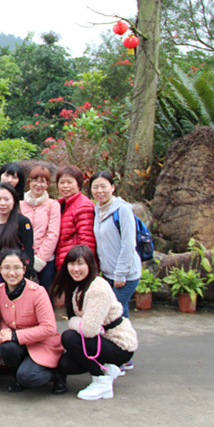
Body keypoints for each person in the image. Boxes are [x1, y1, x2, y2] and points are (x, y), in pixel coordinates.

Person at [52, 245, 138, 401]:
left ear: (90, 265)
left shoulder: (98, 288)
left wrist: (73, 321)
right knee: (65, 364)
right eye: (72, 264)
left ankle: (101, 380)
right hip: (100, 340)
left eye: (80, 264)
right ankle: (108, 368)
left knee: (69, 337)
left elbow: (88, 330)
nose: (75, 269)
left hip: (118, 344)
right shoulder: (76, 285)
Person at [0, 248, 64, 394]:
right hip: (21, 345)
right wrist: (4, 329)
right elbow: (2, 317)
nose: (11, 273)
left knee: (28, 377)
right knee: (6, 348)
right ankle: (18, 374)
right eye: (6, 268)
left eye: (16, 268)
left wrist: (15, 336)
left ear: (24, 269)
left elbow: (49, 328)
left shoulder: (37, 292)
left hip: (42, 344)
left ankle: (56, 375)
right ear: (0, 269)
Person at [90, 171, 141, 318]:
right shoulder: (97, 209)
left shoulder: (122, 210)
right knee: (121, 314)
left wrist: (120, 274)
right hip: (108, 274)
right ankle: (125, 333)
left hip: (126, 275)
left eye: (103, 186)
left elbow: (128, 244)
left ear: (112, 187)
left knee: (112, 314)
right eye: (95, 187)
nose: (99, 191)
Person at [20, 164, 61, 292]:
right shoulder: (20, 204)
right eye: (35, 180)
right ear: (29, 182)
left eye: (43, 181)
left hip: (46, 261)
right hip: (23, 260)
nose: (38, 185)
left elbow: (53, 234)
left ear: (47, 184)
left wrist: (40, 260)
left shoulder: (52, 205)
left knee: (46, 295)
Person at [55, 165, 96, 271]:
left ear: (79, 184)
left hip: (75, 265)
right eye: (62, 182)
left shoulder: (83, 206)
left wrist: (81, 265)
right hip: (64, 262)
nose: (65, 186)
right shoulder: (60, 205)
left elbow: (86, 241)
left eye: (69, 182)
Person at [0, 182, 35, 279]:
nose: (2, 203)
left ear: (14, 200)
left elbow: (29, 253)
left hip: (19, 276)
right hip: (0, 276)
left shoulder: (22, 222)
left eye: (7, 199)